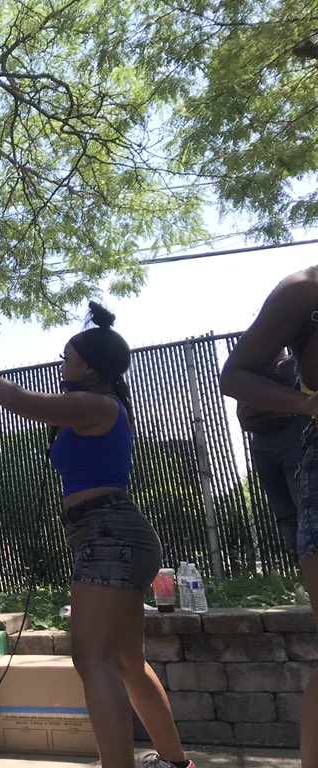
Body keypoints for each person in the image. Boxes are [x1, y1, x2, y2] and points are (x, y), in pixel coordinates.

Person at [0, 301, 193, 768]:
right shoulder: (98, 406)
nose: (62, 364)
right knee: (125, 659)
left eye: (67, 357)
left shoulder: (95, 404)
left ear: (89, 366)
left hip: (107, 533)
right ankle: (175, 762)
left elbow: (25, 403)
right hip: (112, 533)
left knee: (91, 657)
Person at [220, 266, 318, 768]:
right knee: (291, 514)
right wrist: (303, 405)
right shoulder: (304, 294)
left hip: (288, 440)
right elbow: (242, 404)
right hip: (286, 445)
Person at [235, 350, 306, 554]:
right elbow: (244, 415)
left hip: (293, 442)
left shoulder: (291, 366)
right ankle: (301, 564)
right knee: (286, 513)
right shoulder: (252, 372)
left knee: (304, 507)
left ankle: (307, 562)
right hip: (264, 447)